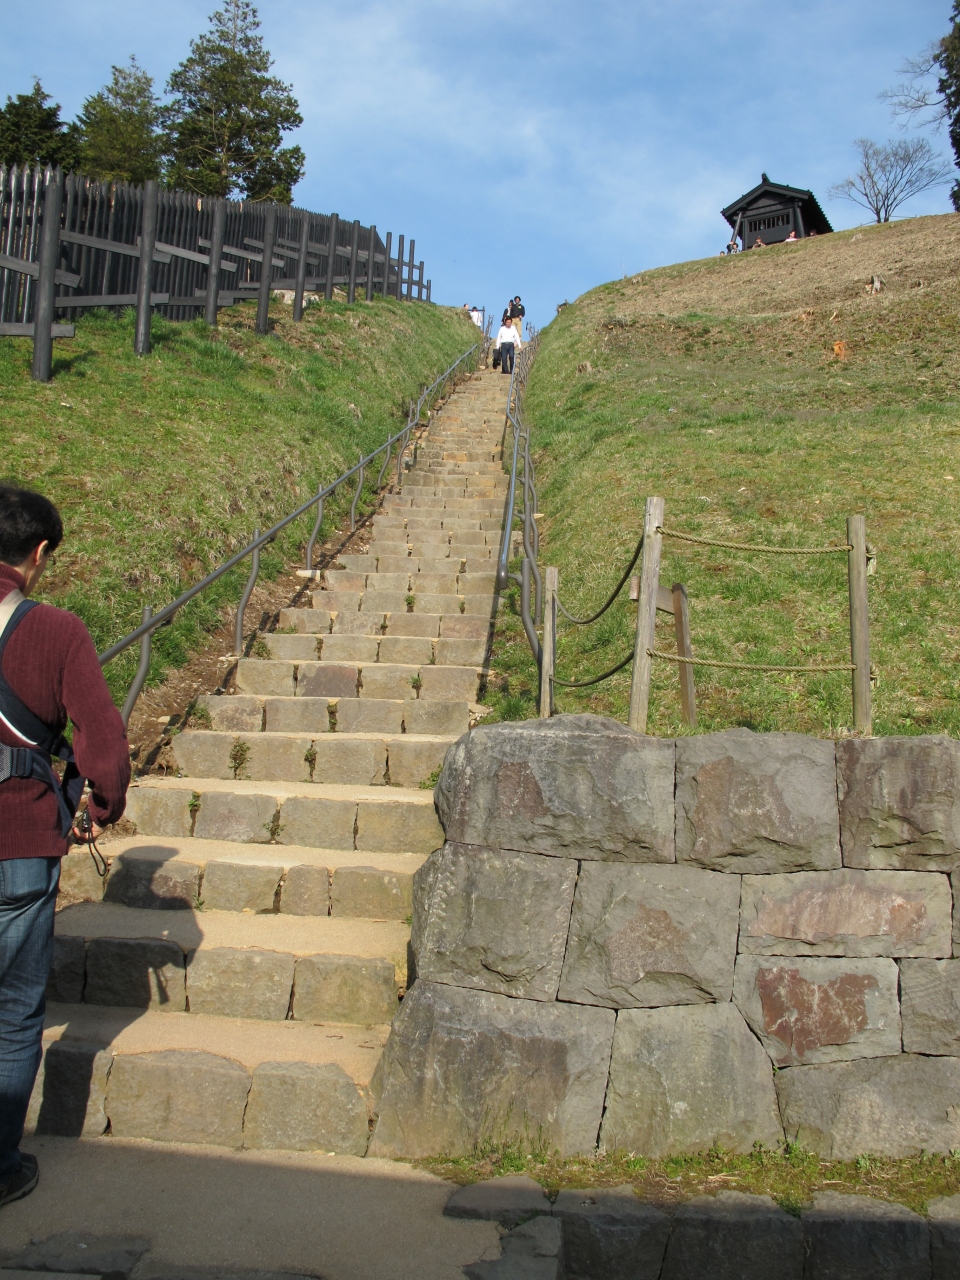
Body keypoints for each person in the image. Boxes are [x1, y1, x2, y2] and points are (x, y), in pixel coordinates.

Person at [0, 485, 130, 1211]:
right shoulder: (55, 632)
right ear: (38, 553)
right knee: (15, 1012)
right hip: (16, 840)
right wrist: (98, 806)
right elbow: (101, 740)